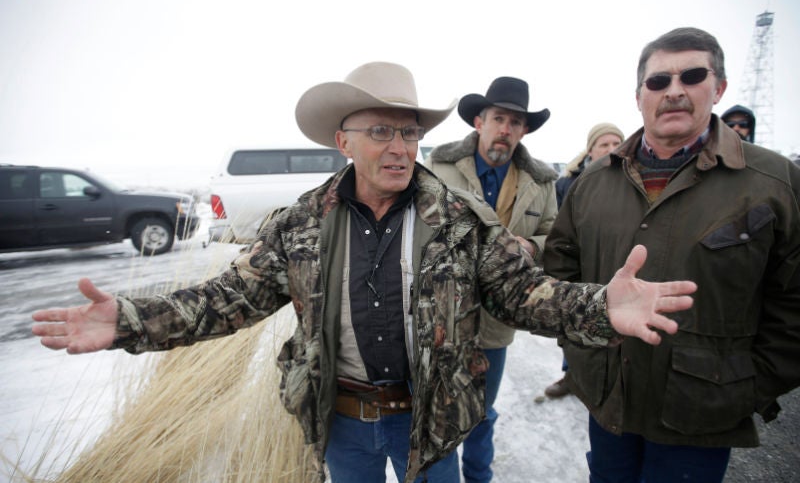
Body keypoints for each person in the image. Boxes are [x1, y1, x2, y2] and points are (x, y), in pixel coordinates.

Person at [31, 61, 697, 483]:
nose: (400, 147)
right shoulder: (301, 225)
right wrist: (130, 320)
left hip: (430, 422)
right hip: (342, 420)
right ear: (342, 141)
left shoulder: (459, 220)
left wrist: (598, 308)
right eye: (381, 132)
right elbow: (226, 299)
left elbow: (526, 294)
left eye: (409, 133)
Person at [543, 27, 800, 483]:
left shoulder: (774, 184)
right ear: (639, 96)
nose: (674, 91)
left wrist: (749, 385)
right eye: (658, 81)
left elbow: (794, 302)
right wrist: (583, 350)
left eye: (693, 75)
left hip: (701, 414)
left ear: (718, 87)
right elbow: (560, 270)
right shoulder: (592, 183)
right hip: (609, 401)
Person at [424, 76, 557, 483]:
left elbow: (556, 236)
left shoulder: (542, 182)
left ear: (525, 129)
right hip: (442, 316)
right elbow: (417, 229)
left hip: (497, 322)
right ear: (479, 122)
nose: (506, 129)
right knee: (438, 411)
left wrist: (531, 248)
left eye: (516, 122)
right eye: (499, 118)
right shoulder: (440, 167)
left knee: (481, 411)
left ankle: (479, 477)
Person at [545, 122, 625, 399]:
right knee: (576, 322)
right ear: (591, 149)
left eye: (617, 144)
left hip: (616, 268)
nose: (611, 149)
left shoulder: (629, 180)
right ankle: (572, 375)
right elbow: (557, 230)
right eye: (604, 144)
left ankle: (614, 381)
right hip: (582, 267)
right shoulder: (569, 182)